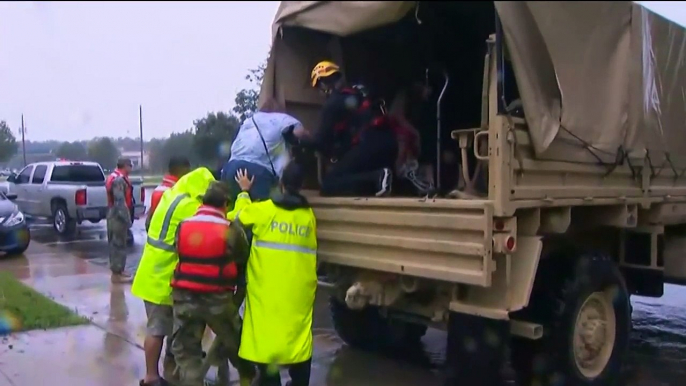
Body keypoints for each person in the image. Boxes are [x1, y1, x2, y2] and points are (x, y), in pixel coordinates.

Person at [227, 162, 318, 386]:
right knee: (298, 339)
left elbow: (236, 217)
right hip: (298, 292)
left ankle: (271, 381)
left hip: (266, 290)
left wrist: (244, 192)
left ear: (281, 184)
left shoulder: (264, 211)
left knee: (266, 340)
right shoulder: (308, 217)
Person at [131, 167, 216, 386]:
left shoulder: (171, 196)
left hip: (149, 273)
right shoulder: (191, 207)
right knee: (157, 330)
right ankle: (151, 377)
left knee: (162, 327)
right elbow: (211, 223)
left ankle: (167, 369)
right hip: (162, 279)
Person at [170, 182, 256, 386]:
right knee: (238, 344)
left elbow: (179, 252)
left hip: (184, 298)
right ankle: (249, 378)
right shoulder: (230, 229)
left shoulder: (184, 225)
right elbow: (243, 258)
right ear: (226, 203)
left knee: (188, 353)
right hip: (218, 300)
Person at [304, 60, 397, 197]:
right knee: (351, 169)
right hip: (389, 145)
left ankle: (377, 177)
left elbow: (321, 140)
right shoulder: (358, 91)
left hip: (369, 145)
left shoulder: (332, 103)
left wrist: (301, 141)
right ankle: (381, 181)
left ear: (323, 84)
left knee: (329, 184)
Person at [221, 98, 311, 209]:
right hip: (258, 172)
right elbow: (299, 132)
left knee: (232, 212)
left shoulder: (248, 121)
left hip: (230, 169)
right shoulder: (281, 119)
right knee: (259, 214)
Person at [106, 158, 134, 283]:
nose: (131, 169)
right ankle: (117, 274)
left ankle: (119, 271)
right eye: (130, 166)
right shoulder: (119, 180)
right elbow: (119, 202)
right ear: (125, 166)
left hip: (113, 214)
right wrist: (127, 219)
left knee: (116, 244)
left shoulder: (113, 176)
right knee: (118, 245)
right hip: (117, 216)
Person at [145, 156, 192, 232]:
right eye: (187, 170)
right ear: (179, 169)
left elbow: (150, 219)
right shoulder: (175, 191)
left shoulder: (159, 188)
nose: (189, 173)